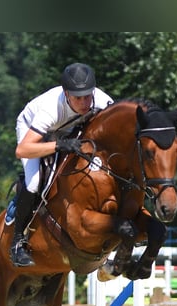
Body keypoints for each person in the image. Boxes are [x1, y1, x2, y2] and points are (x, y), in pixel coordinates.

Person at [7, 62, 113, 267]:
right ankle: (18, 241)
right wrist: (59, 145)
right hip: (34, 131)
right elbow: (22, 150)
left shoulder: (102, 101)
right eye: (77, 97)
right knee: (35, 182)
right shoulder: (50, 109)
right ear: (66, 94)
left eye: (87, 96)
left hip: (68, 128)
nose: (84, 103)